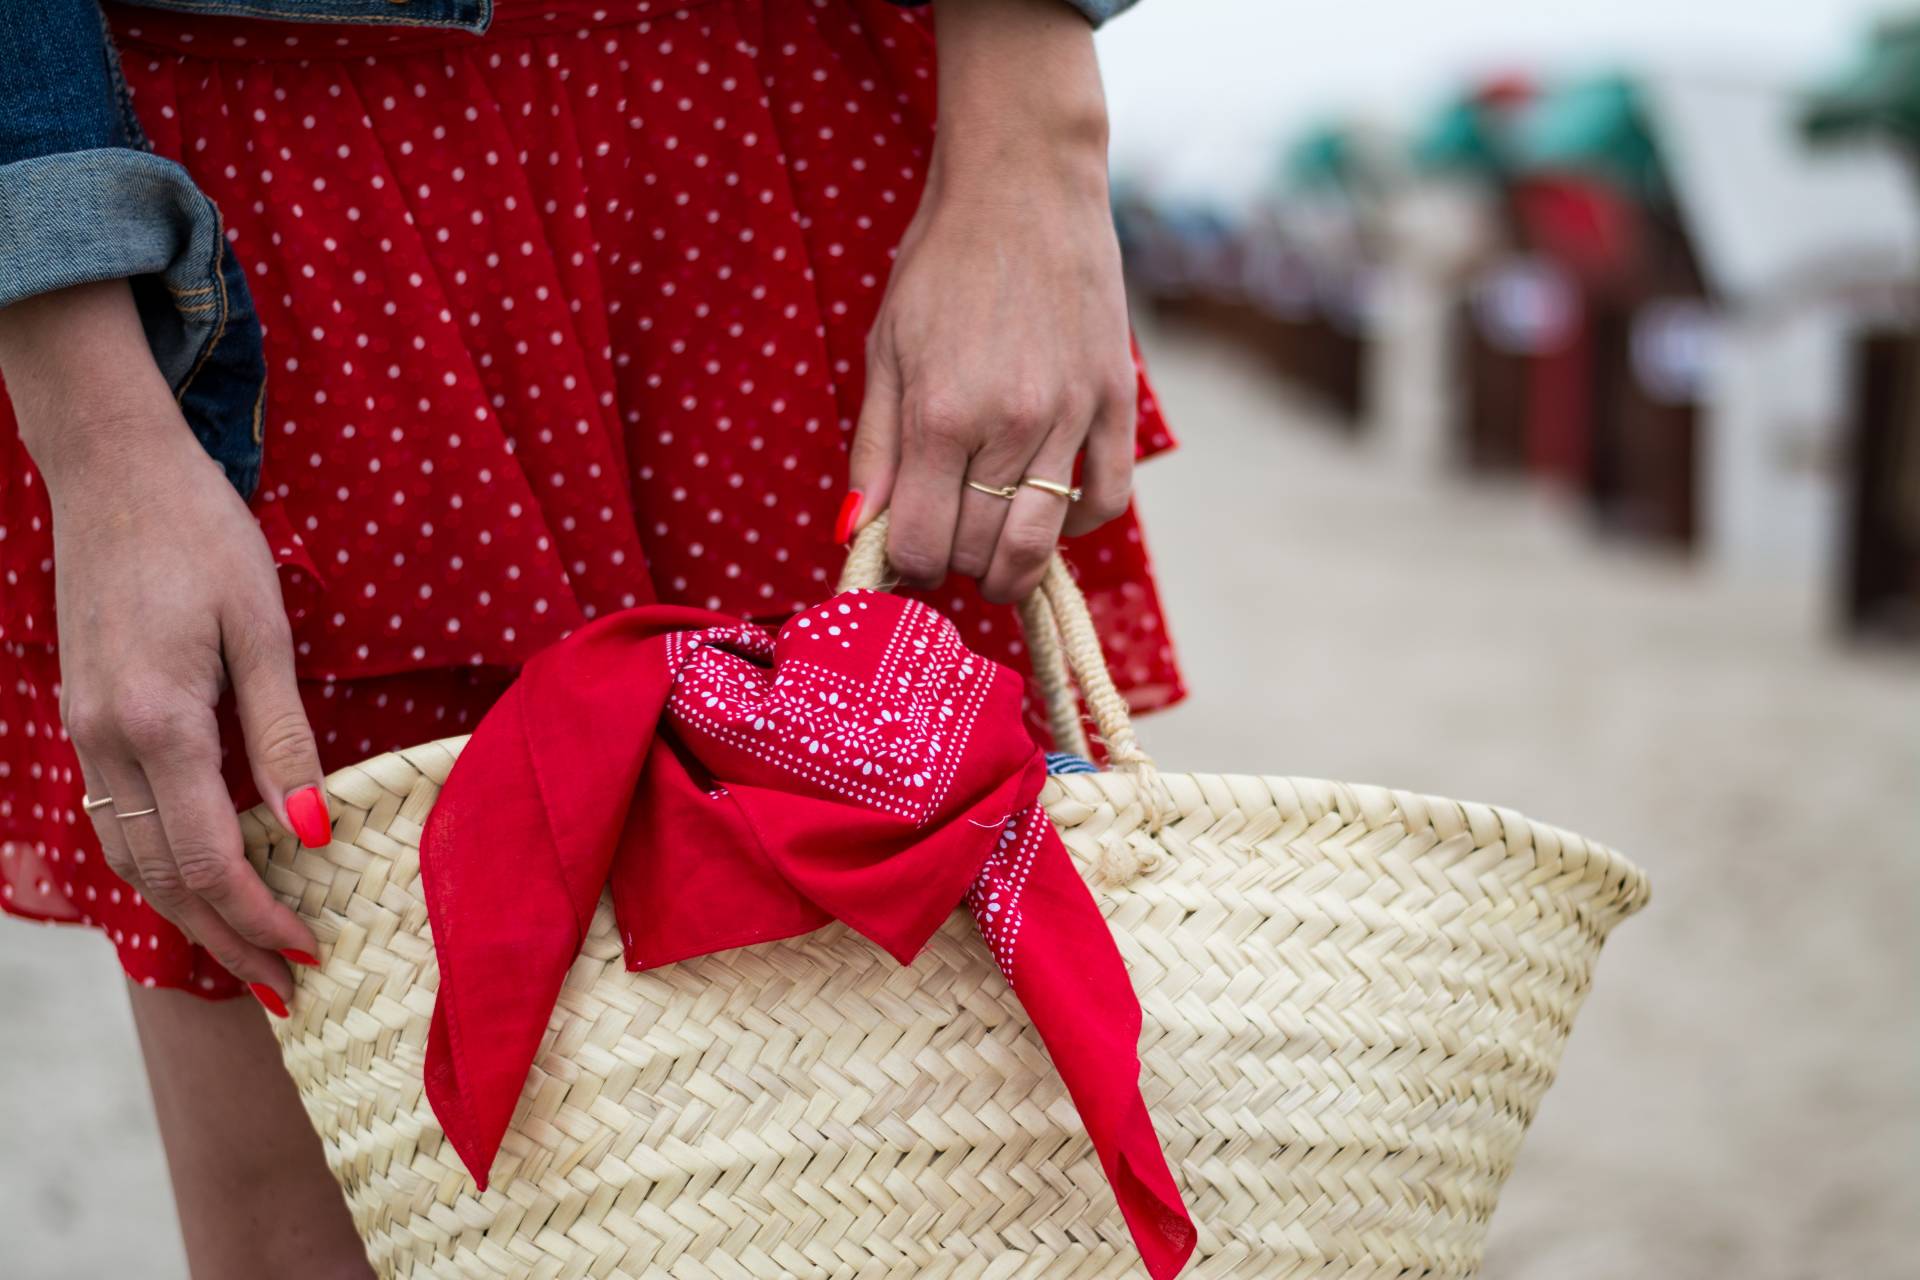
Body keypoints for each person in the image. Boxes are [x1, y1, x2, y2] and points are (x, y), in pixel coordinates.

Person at [0, 0, 1182, 1273]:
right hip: (278, 219)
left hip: (765, 134)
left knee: (951, 1200)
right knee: (360, 1224)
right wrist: (95, 416)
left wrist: (1038, 135)